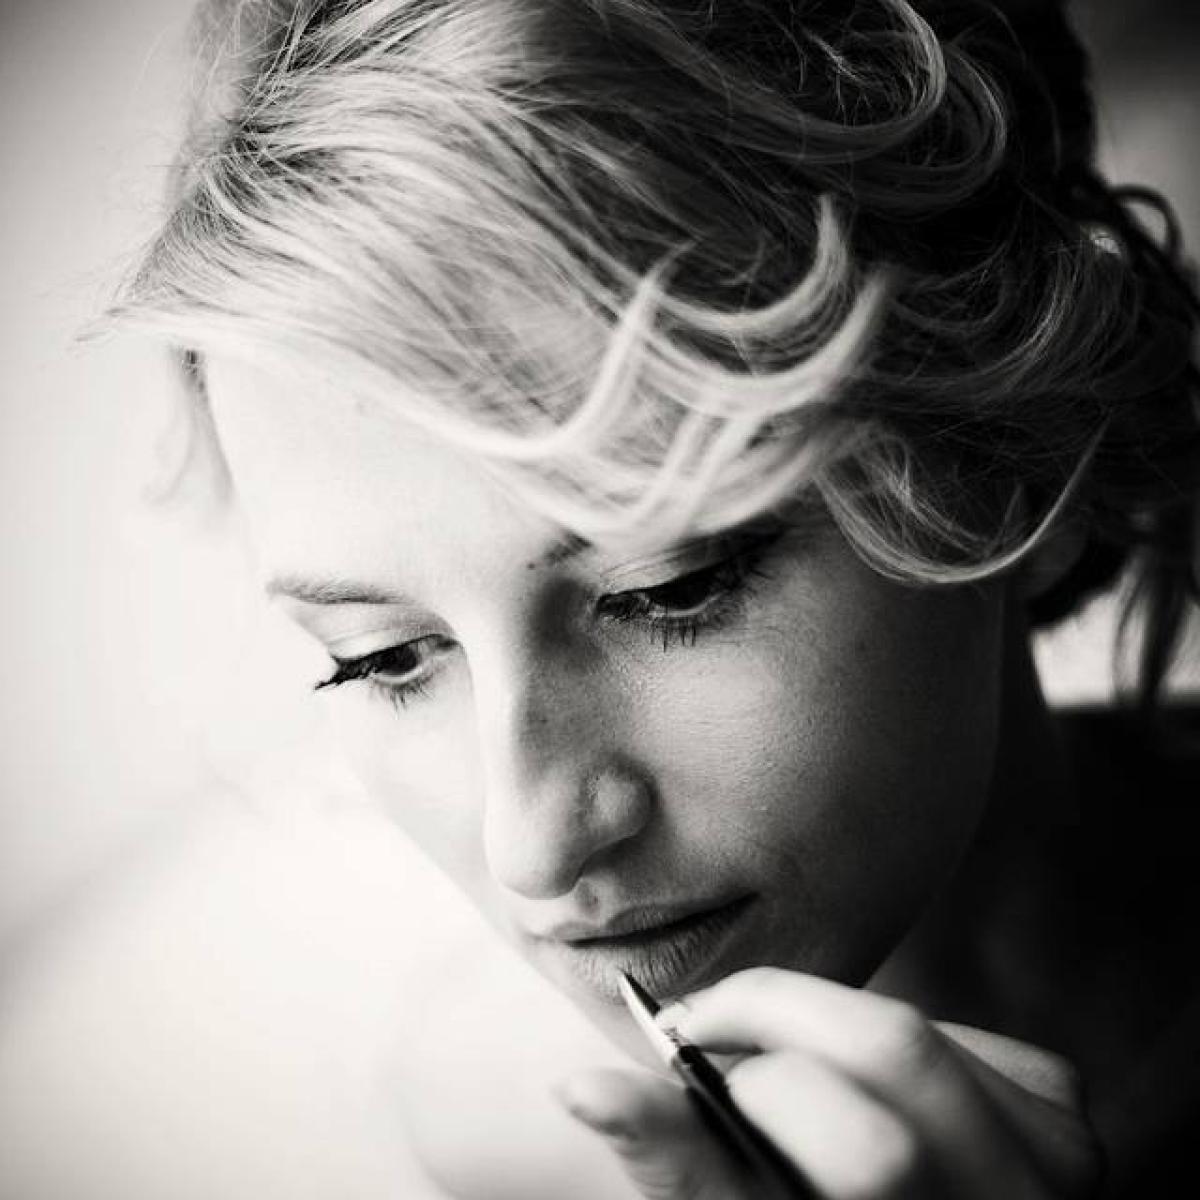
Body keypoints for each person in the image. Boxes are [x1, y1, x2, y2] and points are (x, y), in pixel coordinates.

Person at [107, 0, 1200, 1195]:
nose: (532, 848)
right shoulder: (509, 1137)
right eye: (382, 658)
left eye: (669, 590)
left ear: (1028, 462)